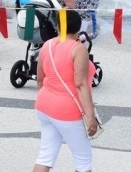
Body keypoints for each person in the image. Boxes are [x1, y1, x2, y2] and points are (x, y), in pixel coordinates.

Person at [33, 10, 98, 172]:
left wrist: (49, 99)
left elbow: (40, 79)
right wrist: (90, 115)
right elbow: (81, 84)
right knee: (83, 159)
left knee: (45, 156)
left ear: (58, 26)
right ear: (78, 27)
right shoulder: (78, 49)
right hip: (69, 111)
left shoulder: (46, 45)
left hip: (44, 106)